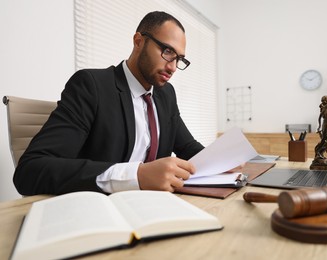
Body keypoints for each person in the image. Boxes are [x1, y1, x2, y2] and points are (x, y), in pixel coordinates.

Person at [13, 11, 205, 196]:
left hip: (153, 204)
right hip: (100, 208)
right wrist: (136, 175)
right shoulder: (91, 86)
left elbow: (188, 148)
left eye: (179, 59)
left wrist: (228, 164)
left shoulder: (165, 94)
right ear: (139, 41)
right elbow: (30, 170)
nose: (172, 67)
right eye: (167, 51)